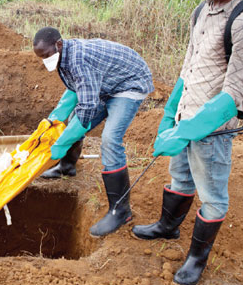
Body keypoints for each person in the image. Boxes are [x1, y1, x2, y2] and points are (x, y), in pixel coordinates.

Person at [132, 0, 243, 285]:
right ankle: (166, 227)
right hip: (185, 115)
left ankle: (196, 259)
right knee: (180, 178)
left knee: (212, 196)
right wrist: (169, 115)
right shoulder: (201, 10)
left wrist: (189, 130)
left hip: (211, 130)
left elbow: (233, 94)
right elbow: (188, 67)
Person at [33, 27, 154, 237]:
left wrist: (61, 144)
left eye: (46, 55)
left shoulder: (78, 60)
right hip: (106, 83)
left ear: (59, 44)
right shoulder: (63, 56)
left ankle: (120, 211)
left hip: (128, 84)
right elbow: (74, 90)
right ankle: (66, 168)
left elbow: (87, 108)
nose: (45, 60)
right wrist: (54, 118)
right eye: (41, 58)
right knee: (71, 122)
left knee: (110, 139)